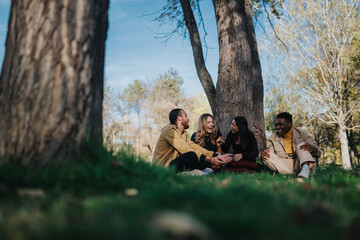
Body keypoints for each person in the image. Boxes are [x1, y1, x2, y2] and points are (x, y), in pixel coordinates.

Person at [152, 108, 233, 174]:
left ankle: (202, 171)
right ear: (179, 118)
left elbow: (196, 147)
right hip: (163, 169)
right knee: (191, 155)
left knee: (194, 155)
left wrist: (216, 155)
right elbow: (186, 149)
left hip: (173, 165)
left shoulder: (182, 134)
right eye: (186, 116)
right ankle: (205, 171)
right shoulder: (169, 131)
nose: (188, 119)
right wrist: (210, 159)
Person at [260, 112, 320, 178]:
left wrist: (313, 149)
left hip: (300, 163)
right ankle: (290, 175)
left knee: (303, 145)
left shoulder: (302, 133)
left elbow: (318, 153)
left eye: (280, 124)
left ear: (289, 124)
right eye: (276, 125)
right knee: (266, 155)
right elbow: (271, 155)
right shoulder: (272, 139)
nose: (277, 127)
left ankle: (305, 170)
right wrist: (263, 154)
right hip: (283, 166)